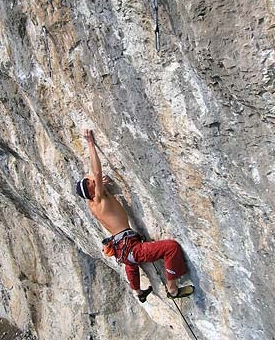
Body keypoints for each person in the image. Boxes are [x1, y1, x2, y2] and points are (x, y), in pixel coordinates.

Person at [76, 129, 194, 302]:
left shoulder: (91, 203)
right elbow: (97, 173)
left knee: (130, 264)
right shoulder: (99, 198)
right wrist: (90, 144)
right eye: (90, 183)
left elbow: (91, 178)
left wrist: (97, 182)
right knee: (171, 247)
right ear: (91, 191)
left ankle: (139, 292)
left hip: (121, 247)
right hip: (130, 247)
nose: (92, 180)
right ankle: (173, 289)